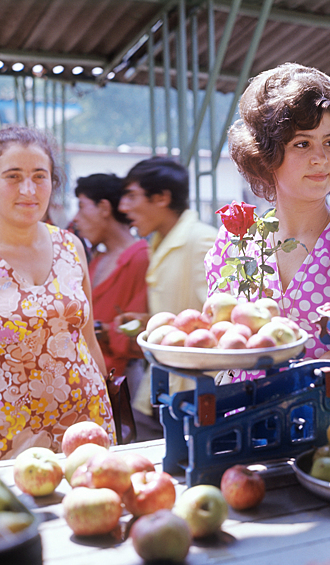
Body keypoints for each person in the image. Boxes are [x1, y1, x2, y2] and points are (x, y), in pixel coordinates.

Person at [204, 62, 330, 381]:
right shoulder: (233, 247)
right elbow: (217, 333)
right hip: (243, 419)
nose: (321, 158)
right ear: (266, 154)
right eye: (302, 144)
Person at [0, 126, 115, 462]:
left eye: (39, 176)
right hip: (4, 436)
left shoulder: (71, 246)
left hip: (85, 425)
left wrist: (108, 404)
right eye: (13, 177)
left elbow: (88, 341)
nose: (29, 190)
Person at [116, 157, 217, 439]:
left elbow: (219, 320)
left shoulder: (202, 242)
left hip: (192, 396)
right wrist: (149, 322)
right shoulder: (160, 241)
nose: (124, 207)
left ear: (161, 197)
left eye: (131, 196)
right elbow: (187, 313)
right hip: (161, 390)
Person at [73, 173, 149, 398]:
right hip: (91, 378)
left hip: (122, 383)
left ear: (104, 208)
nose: (75, 218)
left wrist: (104, 331)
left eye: (81, 206)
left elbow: (141, 327)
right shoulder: (96, 260)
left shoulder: (141, 258)